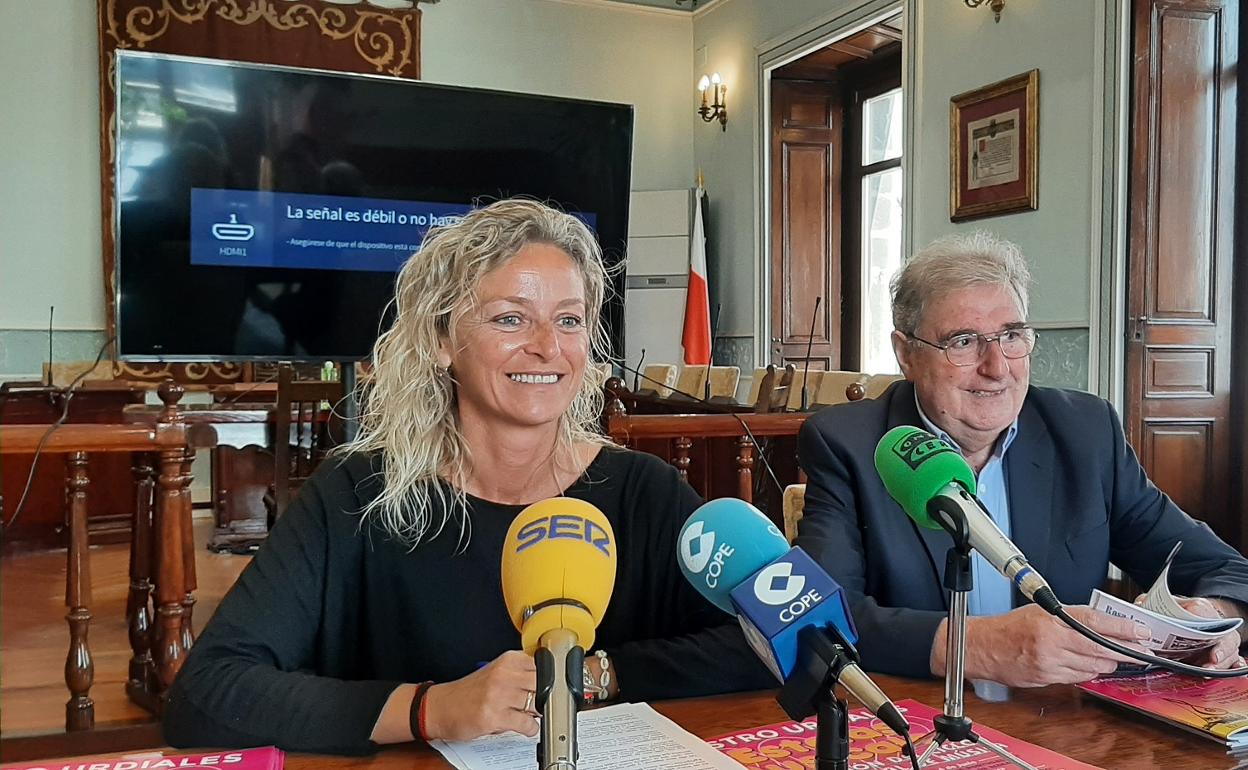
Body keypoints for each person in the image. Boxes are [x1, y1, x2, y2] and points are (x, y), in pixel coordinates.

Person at [163, 199, 772, 754]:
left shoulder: (645, 492)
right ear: (439, 339)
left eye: (569, 320)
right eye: (510, 319)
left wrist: (591, 673)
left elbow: (764, 644)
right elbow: (210, 693)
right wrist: (430, 708)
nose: (546, 347)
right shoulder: (354, 495)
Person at [796, 231, 1248, 687]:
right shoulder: (848, 444)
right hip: (918, 725)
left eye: (1011, 335)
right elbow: (819, 616)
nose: (997, 367)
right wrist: (979, 646)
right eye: (964, 341)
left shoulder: (1084, 431)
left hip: (1067, 726)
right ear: (906, 354)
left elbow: (1227, 572)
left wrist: (1211, 619)